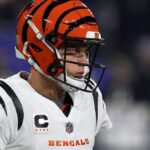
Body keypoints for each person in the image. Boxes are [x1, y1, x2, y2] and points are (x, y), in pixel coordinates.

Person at [0, 0, 112, 149]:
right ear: (33, 49)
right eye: (72, 51)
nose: (84, 61)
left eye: (86, 51)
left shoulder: (91, 96)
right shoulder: (7, 103)